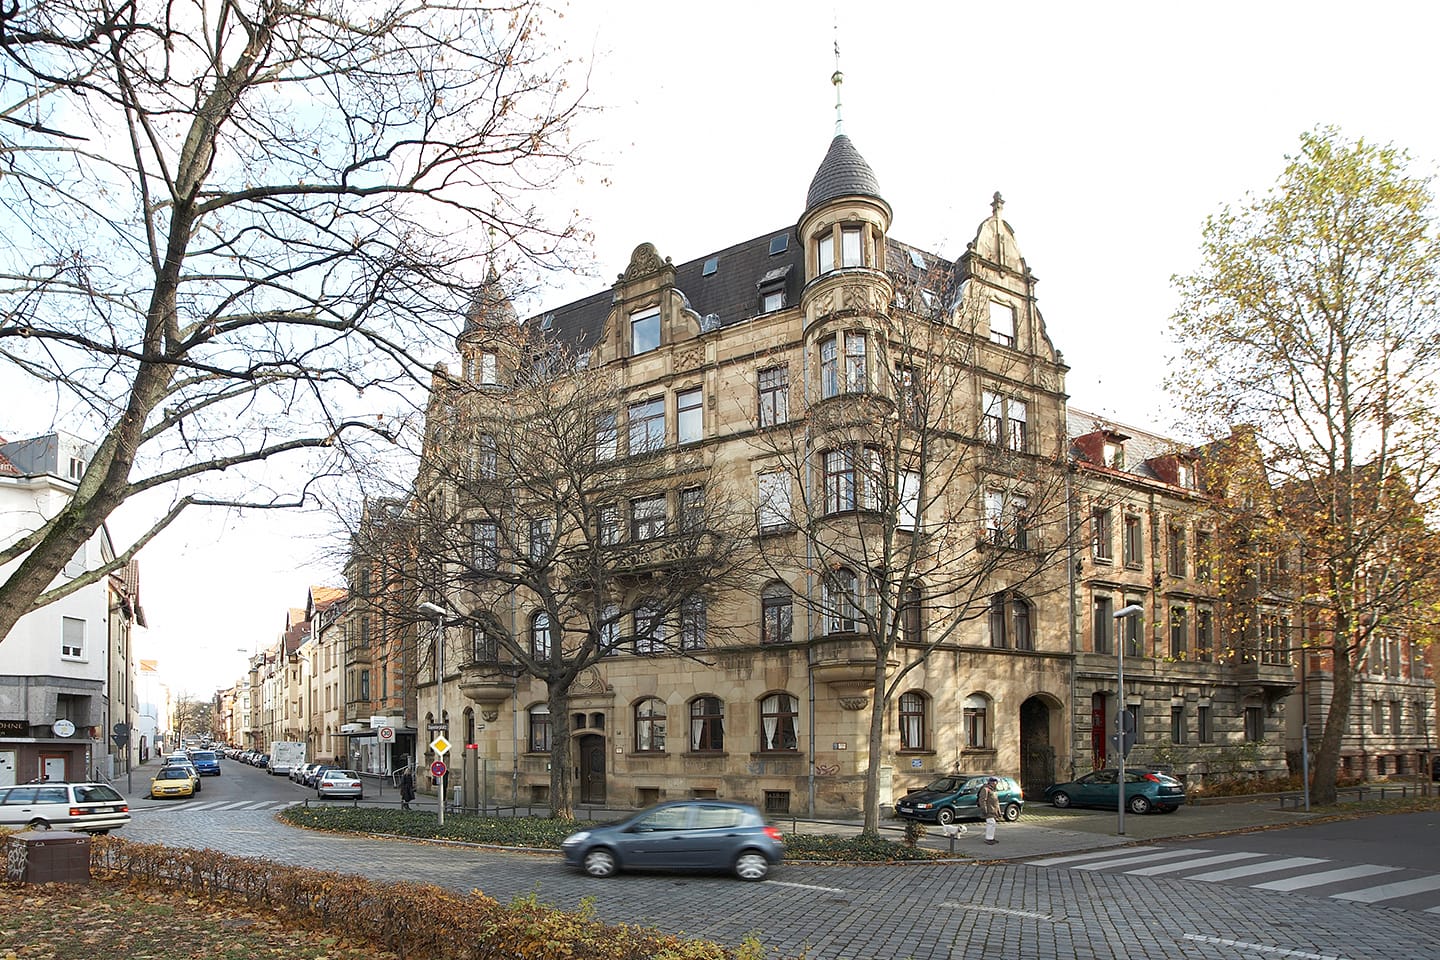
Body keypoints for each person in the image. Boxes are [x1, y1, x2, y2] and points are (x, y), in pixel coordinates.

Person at [977, 777, 1001, 845]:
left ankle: (991, 838)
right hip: (988, 810)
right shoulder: (985, 789)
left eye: (996, 782)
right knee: (991, 823)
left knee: (993, 824)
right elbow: (982, 800)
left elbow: (996, 801)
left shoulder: (993, 790)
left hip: (993, 810)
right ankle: (989, 838)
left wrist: (998, 811)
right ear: (991, 782)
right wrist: (984, 809)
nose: (996, 783)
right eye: (995, 782)